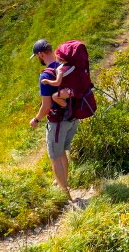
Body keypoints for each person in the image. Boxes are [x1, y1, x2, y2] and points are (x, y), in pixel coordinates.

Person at [29, 39, 79, 195]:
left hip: (58, 121)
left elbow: (46, 106)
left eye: (38, 56)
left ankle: (64, 193)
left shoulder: (46, 75)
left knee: (55, 156)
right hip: (73, 117)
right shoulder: (65, 66)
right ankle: (64, 183)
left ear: (41, 54)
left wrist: (36, 120)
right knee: (62, 151)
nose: (38, 59)